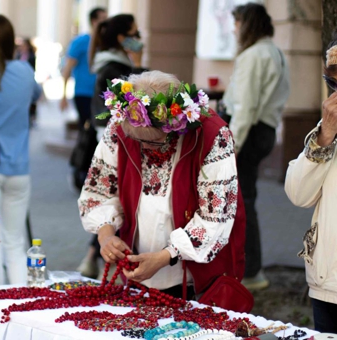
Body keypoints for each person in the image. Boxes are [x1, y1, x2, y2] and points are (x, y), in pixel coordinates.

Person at [78, 70, 246, 298]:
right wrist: (106, 235)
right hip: (138, 274)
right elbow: (99, 190)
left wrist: (166, 256)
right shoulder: (121, 125)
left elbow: (215, 217)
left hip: (197, 281)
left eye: (152, 141)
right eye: (136, 140)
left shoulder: (212, 135)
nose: (143, 148)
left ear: (175, 125)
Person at [222, 2, 290, 290]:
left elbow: (246, 107)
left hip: (248, 133)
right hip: (263, 131)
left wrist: (230, 146)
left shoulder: (254, 55)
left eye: (237, 23)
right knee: (245, 200)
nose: (235, 29)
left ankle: (250, 272)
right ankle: (250, 270)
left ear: (248, 24)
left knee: (242, 203)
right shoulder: (273, 51)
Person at [75, 13, 146, 279]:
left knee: (111, 204)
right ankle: (97, 256)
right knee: (112, 203)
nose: (140, 39)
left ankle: (93, 257)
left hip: (106, 144)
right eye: (135, 34)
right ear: (122, 38)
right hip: (114, 148)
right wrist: (138, 66)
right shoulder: (115, 69)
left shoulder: (107, 63)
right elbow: (135, 109)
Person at [0, 14, 41, 285]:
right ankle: (18, 302)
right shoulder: (25, 71)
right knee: (15, 242)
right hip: (19, 168)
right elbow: (36, 96)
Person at [284, 41, 337, 333]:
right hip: (328, 284)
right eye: (333, 82)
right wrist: (324, 136)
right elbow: (298, 194)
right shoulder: (330, 125)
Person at [60, 7, 107, 129]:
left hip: (102, 94)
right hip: (84, 94)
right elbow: (67, 69)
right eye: (103, 19)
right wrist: (64, 96)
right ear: (94, 21)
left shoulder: (104, 43)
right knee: (87, 130)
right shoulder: (80, 41)